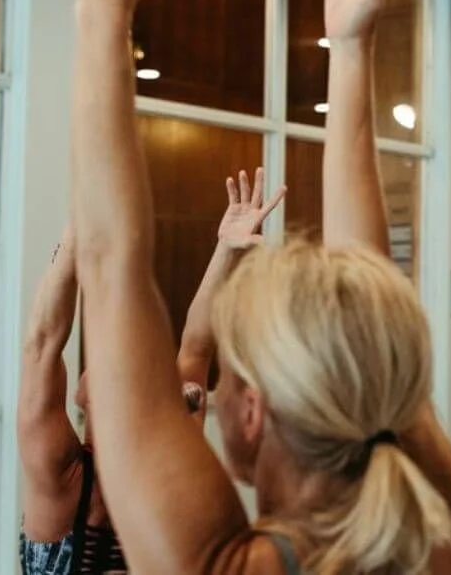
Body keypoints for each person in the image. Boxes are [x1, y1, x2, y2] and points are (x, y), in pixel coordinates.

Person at [55, 0, 451, 571]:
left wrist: (103, 5)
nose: (213, 393)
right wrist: (104, 9)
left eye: (228, 374)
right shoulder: (436, 525)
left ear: (253, 410)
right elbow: (112, 267)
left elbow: (111, 266)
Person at [18, 168, 284, 575]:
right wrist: (76, 233)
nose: (121, 361)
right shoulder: (62, 474)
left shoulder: (164, 461)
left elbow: (197, 346)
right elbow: (42, 342)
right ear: (82, 398)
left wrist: (227, 249)